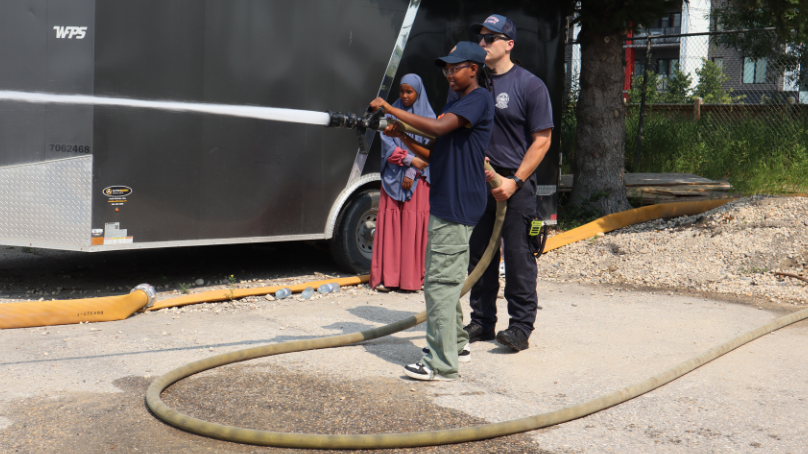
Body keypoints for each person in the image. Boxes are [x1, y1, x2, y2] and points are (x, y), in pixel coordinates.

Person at [369, 41, 494, 381]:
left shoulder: (478, 98)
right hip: (446, 200)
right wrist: (404, 136)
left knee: (439, 283)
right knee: (445, 280)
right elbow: (433, 149)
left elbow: (437, 129)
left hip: (457, 203)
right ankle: (457, 343)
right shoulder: (457, 100)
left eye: (456, 68)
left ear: (474, 68)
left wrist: (392, 110)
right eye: (446, 69)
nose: (449, 74)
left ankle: (441, 361)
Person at [464, 14, 554, 352]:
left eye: (490, 39)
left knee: (518, 257)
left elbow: (542, 140)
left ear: (509, 44)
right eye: (481, 39)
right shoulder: (475, 84)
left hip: (515, 189)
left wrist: (515, 181)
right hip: (481, 185)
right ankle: (483, 321)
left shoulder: (529, 85)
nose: (483, 44)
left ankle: (520, 328)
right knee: (480, 256)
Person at [370, 74, 435, 293]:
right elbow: (387, 145)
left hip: (418, 180)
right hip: (392, 178)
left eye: (410, 92)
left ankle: (411, 279)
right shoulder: (390, 114)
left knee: (413, 226)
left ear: (419, 92)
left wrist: (413, 169)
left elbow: (431, 151)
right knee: (393, 226)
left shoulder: (430, 117)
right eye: (402, 91)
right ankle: (388, 279)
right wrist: (408, 159)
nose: (405, 96)